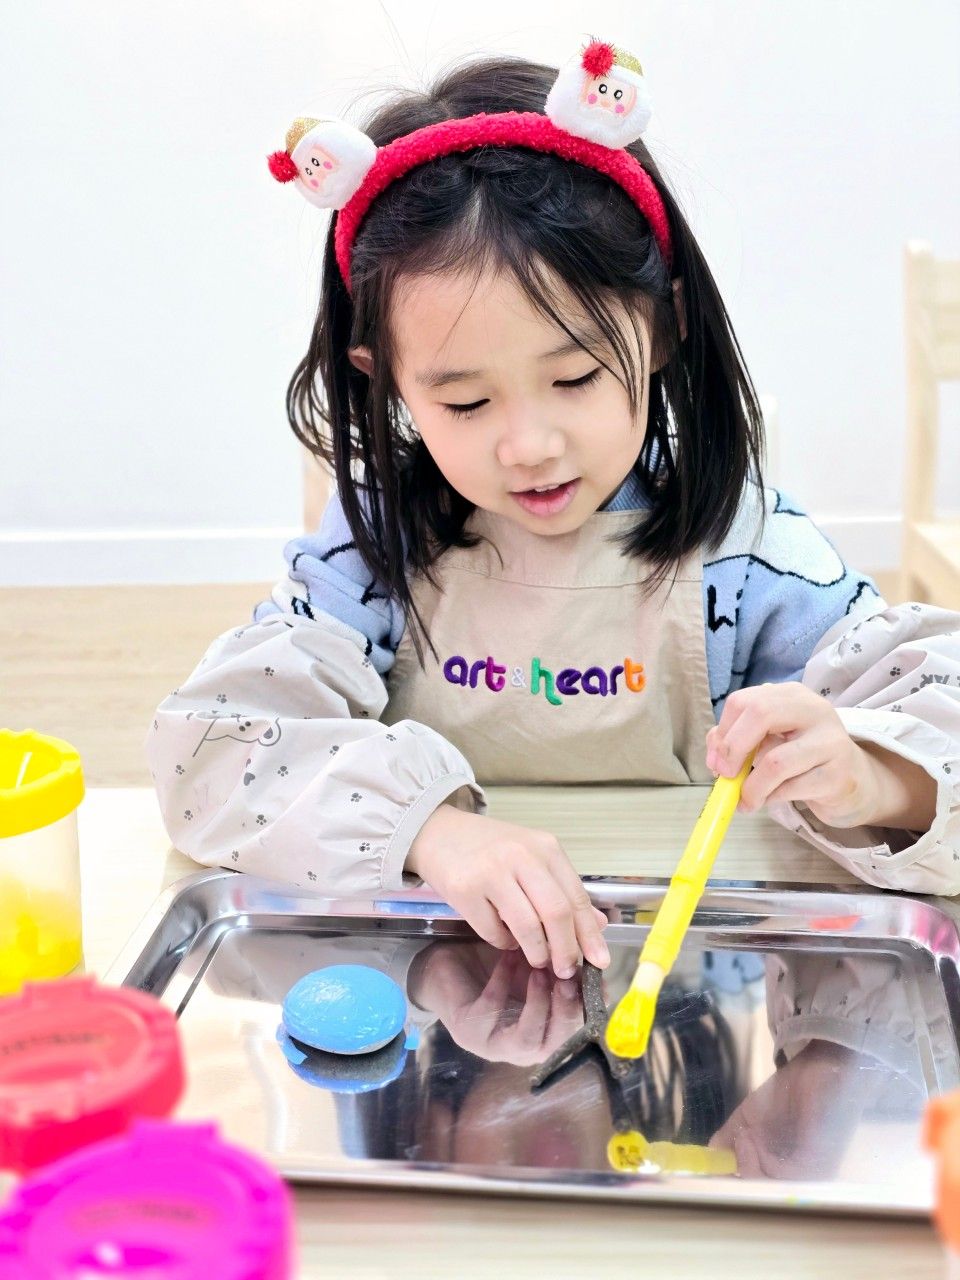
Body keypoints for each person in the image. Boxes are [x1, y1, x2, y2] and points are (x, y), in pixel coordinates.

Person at [147, 39, 960, 983]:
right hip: (447, 981)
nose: (528, 444)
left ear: (664, 328)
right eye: (465, 402)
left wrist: (873, 773)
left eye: (574, 378)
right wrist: (432, 831)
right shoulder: (370, 555)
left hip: (684, 992)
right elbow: (213, 752)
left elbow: (937, 713)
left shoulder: (748, 555)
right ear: (388, 382)